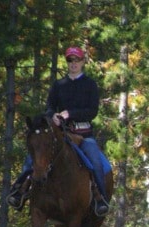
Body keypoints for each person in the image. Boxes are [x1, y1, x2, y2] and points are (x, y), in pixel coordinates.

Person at [7, 46, 110, 216]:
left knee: (96, 161)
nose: (73, 64)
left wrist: (70, 114)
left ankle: (100, 199)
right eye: (70, 60)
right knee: (35, 155)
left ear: (83, 62)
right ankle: (19, 190)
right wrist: (53, 115)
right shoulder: (59, 85)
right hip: (60, 133)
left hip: (83, 134)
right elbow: (49, 107)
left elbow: (92, 111)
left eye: (76, 60)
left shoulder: (90, 85)